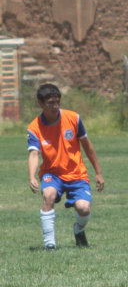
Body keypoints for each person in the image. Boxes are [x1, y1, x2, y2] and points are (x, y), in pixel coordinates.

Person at [27, 83, 104, 250]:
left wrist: (98, 172)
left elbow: (88, 147)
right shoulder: (34, 127)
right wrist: (32, 176)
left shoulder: (73, 118)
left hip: (76, 173)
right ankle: (50, 244)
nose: (55, 106)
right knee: (48, 194)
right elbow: (34, 154)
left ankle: (79, 230)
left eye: (57, 102)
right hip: (51, 174)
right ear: (40, 104)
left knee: (83, 208)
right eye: (50, 103)